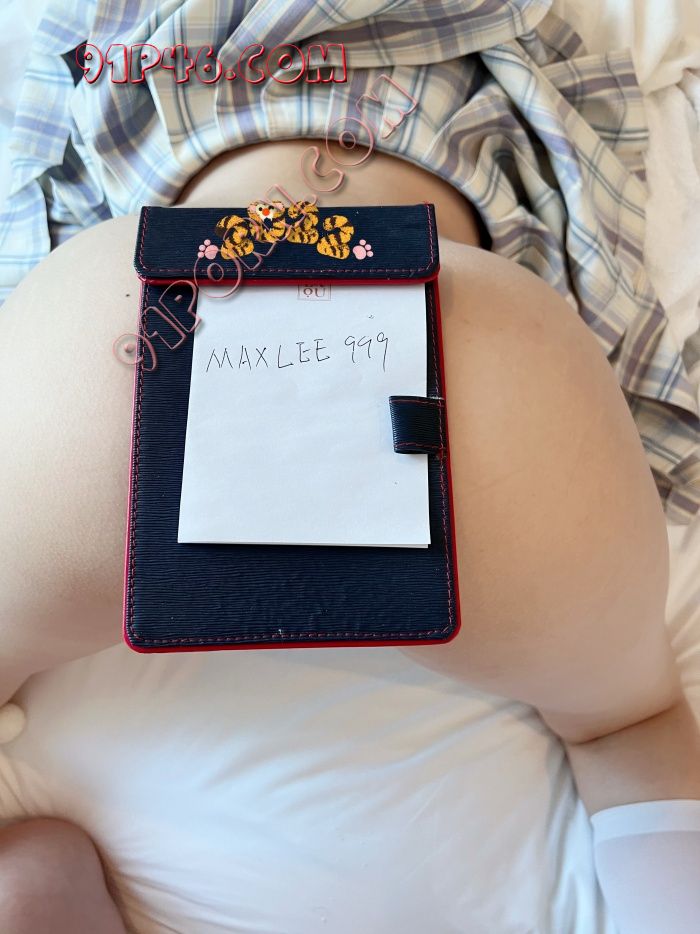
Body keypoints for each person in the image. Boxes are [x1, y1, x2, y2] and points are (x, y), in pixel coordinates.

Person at [0, 1, 699, 931]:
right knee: (628, 724)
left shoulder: (126, 31)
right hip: (455, 340)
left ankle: (29, 896)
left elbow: (43, 152)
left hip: (145, 329)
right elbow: (592, 191)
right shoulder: (483, 28)